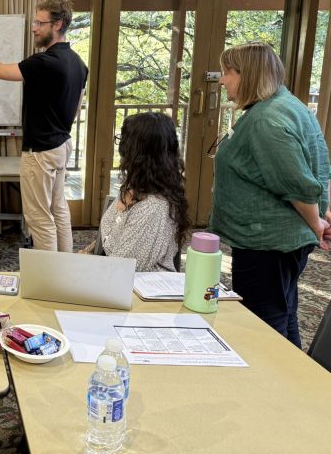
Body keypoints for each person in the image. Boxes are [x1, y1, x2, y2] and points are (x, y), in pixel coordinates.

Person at [209, 42, 330, 348]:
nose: (222, 80)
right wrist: (321, 215)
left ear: (247, 75)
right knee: (284, 312)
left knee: (262, 323)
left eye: (228, 72)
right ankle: (296, 382)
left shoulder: (266, 120)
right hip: (279, 239)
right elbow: (316, 163)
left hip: (267, 242)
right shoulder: (287, 106)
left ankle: (272, 388)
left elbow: (297, 183)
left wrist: (317, 224)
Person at [0, 0, 88, 252]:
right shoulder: (78, 63)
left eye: (39, 23)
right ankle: (65, 269)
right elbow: (77, 107)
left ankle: (49, 280)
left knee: (39, 218)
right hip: (61, 144)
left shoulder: (44, 62)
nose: (34, 28)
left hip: (41, 151)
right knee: (59, 209)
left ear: (57, 25)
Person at [98, 112, 189, 272]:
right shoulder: (138, 189)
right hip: (122, 280)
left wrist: (119, 214)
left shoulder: (154, 206)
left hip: (139, 288)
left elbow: (121, 265)